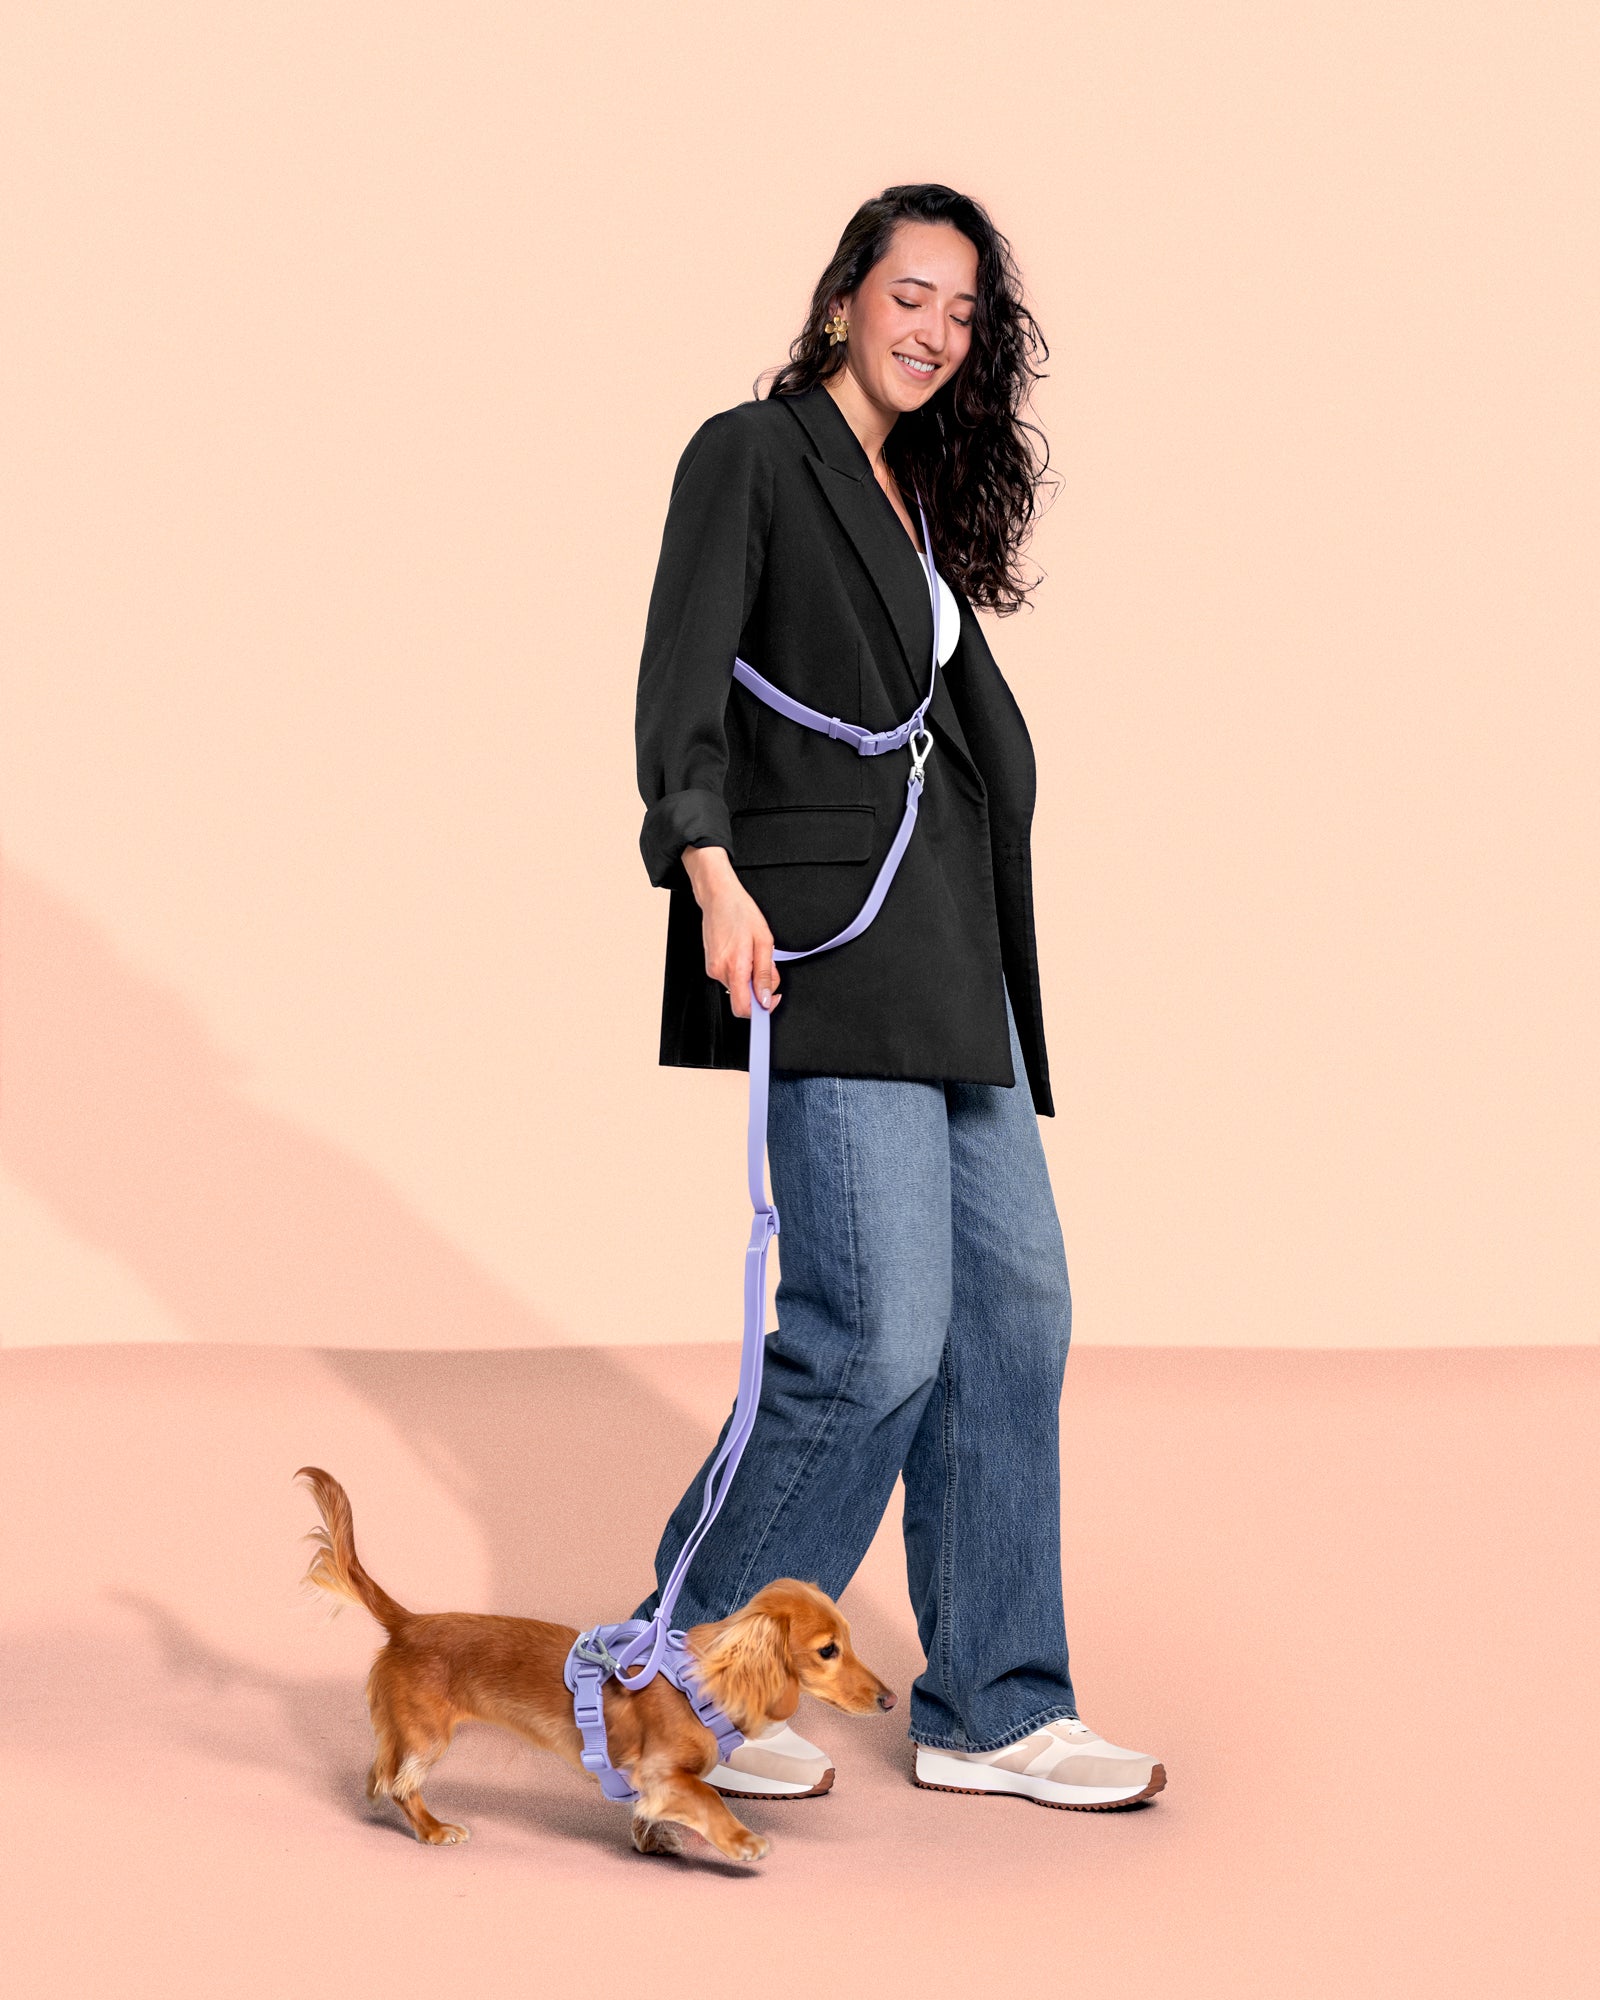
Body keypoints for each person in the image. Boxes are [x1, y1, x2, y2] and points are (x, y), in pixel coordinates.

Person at [631, 184, 1165, 1811]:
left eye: (963, 315)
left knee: (1016, 1314)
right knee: (875, 1334)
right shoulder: (754, 450)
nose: (934, 332)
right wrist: (707, 871)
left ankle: (995, 1703)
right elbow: (680, 677)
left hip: (954, 952)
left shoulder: (913, 494)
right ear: (848, 295)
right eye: (910, 296)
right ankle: (679, 1668)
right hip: (825, 940)